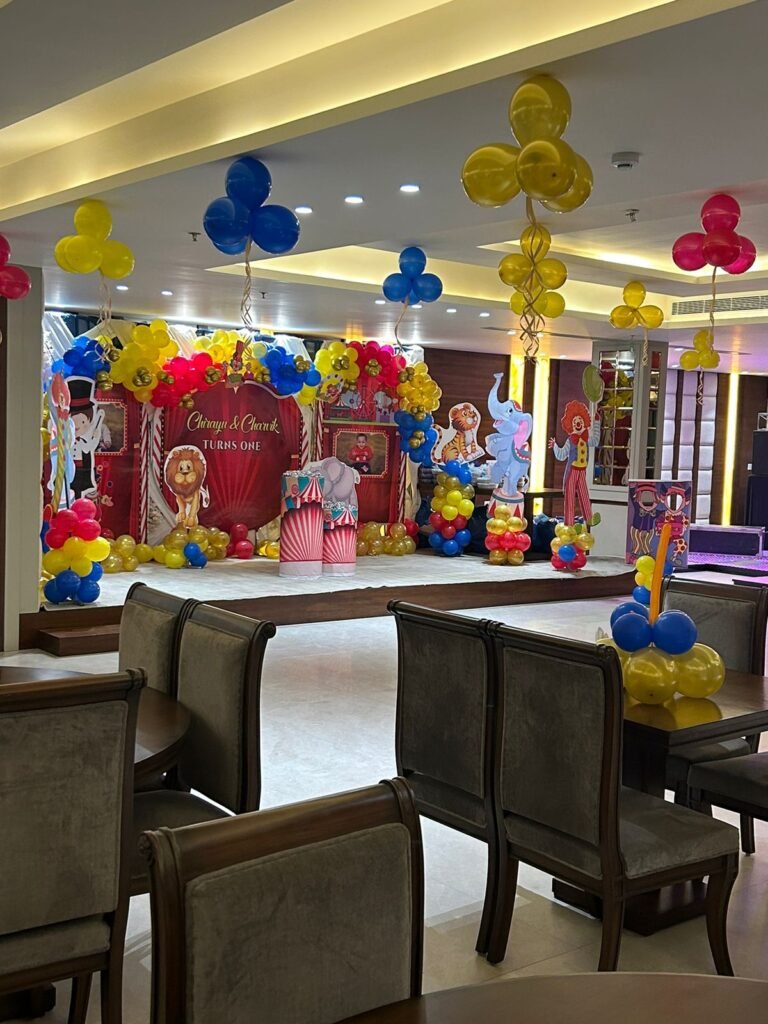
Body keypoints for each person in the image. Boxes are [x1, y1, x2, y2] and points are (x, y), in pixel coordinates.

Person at [549, 400, 600, 526]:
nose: (578, 423)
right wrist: (555, 446)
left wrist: (597, 422)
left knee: (584, 494)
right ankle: (569, 523)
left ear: (585, 422)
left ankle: (589, 518)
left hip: (582, 471)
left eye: (580, 420)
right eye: (575, 421)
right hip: (572, 471)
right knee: (570, 496)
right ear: (570, 425)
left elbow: (596, 441)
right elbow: (561, 455)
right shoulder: (570, 441)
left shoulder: (586, 439)